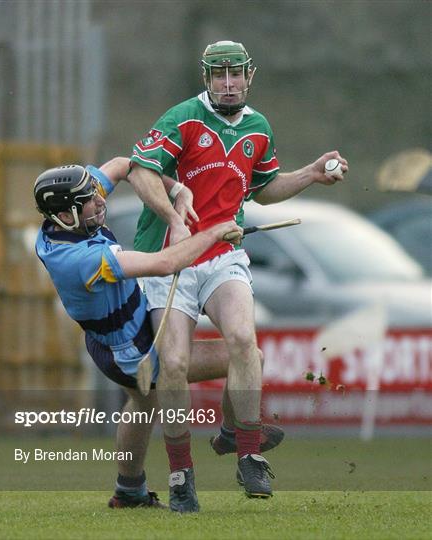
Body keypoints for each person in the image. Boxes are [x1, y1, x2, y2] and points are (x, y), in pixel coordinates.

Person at [127, 40, 349, 506]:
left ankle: (248, 453)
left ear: (250, 76)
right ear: (206, 78)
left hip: (224, 255)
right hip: (170, 259)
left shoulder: (258, 128)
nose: (227, 83)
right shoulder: (183, 118)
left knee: (245, 341)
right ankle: (181, 474)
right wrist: (171, 214)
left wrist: (310, 173)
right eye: (218, 75)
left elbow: (265, 189)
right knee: (176, 365)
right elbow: (140, 171)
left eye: (235, 74)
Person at [33, 157, 284, 513]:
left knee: (142, 404)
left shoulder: (64, 220)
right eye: (90, 199)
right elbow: (166, 263)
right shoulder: (80, 259)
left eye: (95, 191)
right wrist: (212, 233)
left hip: (109, 340)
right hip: (132, 348)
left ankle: (129, 490)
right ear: (66, 214)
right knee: (247, 358)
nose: (100, 200)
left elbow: (124, 164)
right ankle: (231, 434)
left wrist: (178, 189)